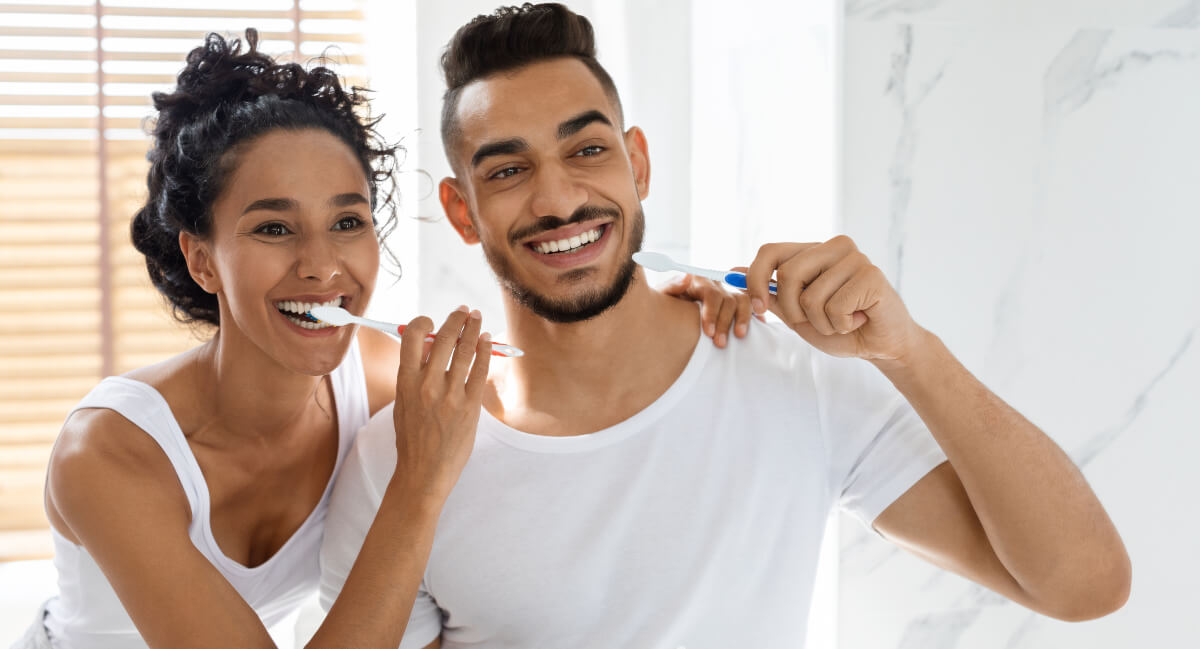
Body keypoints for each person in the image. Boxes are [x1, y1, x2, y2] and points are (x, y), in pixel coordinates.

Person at [319, 4, 1132, 648]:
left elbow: (1086, 584)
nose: (559, 198)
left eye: (588, 150)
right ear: (462, 210)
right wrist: (420, 488)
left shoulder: (793, 378)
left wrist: (908, 351)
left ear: (638, 164)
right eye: (507, 169)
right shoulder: (400, 461)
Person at [15, 28, 747, 649]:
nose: (321, 265)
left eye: (347, 221)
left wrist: (670, 308)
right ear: (202, 258)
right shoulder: (108, 455)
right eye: (274, 227)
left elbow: (546, 374)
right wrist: (418, 484)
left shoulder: (381, 377)